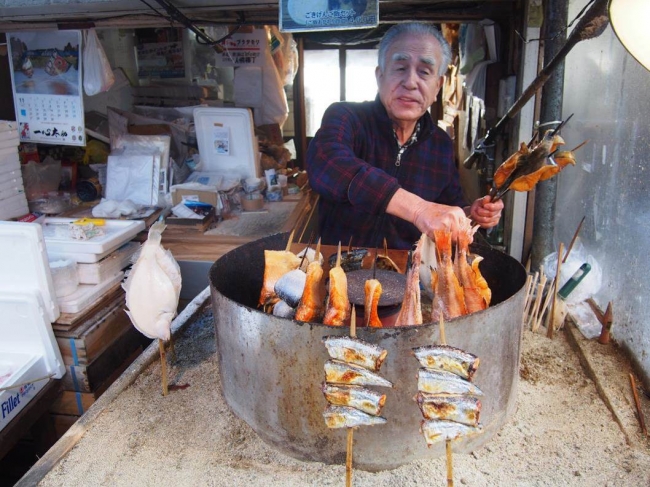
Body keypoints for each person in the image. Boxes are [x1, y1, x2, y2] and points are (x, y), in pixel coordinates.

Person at [306, 22, 503, 250]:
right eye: (400, 68)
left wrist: (471, 214)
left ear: (438, 86)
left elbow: (450, 204)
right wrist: (417, 209)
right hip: (341, 265)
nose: (410, 82)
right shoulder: (347, 117)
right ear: (380, 76)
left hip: (406, 273)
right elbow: (327, 164)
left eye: (424, 72)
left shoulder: (440, 143)